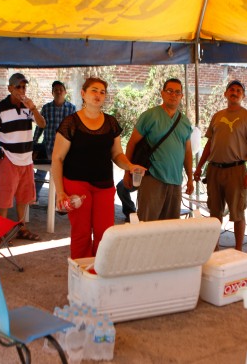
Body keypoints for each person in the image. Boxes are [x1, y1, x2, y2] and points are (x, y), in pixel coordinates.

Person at [51, 77, 144, 259]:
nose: (98, 95)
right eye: (94, 90)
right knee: (81, 233)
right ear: (83, 94)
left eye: (102, 92)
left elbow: (117, 154)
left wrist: (131, 166)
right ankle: (81, 276)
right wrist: (61, 192)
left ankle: (99, 274)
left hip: (104, 186)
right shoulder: (71, 123)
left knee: (105, 233)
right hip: (76, 184)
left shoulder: (111, 123)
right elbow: (57, 158)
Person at [194, 80, 247, 251]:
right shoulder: (217, 116)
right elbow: (209, 144)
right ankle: (214, 250)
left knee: (237, 213)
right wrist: (200, 166)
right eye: (231, 89)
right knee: (214, 213)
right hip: (214, 170)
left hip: (236, 170)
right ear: (225, 94)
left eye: (239, 90)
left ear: (243, 96)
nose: (235, 92)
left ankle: (238, 251)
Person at [0, 73, 44, 241]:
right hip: (9, 158)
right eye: (18, 87)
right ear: (9, 88)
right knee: (4, 197)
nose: (21, 90)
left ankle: (22, 228)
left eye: (24, 87)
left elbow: (43, 124)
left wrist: (33, 108)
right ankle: (0, 231)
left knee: (23, 197)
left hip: (27, 160)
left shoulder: (27, 107)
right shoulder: (0, 107)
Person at [124, 78, 193, 221]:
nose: (173, 95)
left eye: (177, 92)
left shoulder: (185, 121)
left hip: (175, 181)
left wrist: (190, 179)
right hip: (152, 177)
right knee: (147, 224)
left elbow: (187, 152)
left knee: (170, 226)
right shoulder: (150, 115)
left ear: (181, 96)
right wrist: (127, 172)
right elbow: (131, 144)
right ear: (162, 93)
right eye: (169, 91)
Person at [33, 81, 76, 206]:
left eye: (60, 89)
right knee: (41, 173)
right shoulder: (46, 108)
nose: (58, 92)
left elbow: (74, 129)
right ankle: (35, 197)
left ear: (65, 92)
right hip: (48, 146)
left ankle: (61, 201)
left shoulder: (71, 108)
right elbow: (40, 126)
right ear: (52, 92)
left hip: (65, 149)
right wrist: (34, 142)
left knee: (62, 175)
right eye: (55, 90)